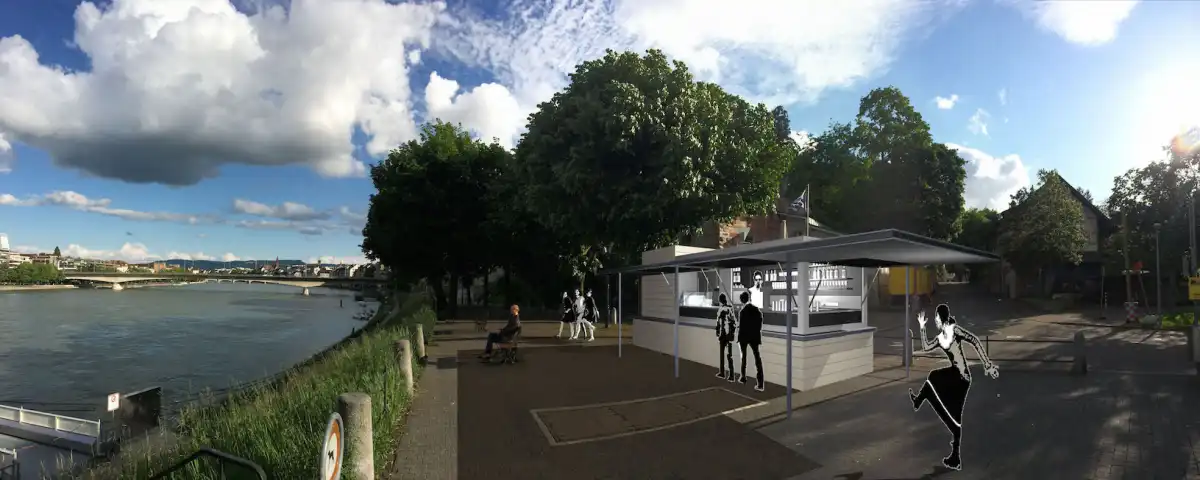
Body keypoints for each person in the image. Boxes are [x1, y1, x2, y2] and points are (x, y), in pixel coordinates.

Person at [909, 303, 999, 471]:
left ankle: (920, 401)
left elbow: (975, 340)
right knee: (936, 384)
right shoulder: (940, 338)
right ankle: (955, 457)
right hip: (954, 374)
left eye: (936, 318)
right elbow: (926, 347)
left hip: (962, 377)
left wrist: (987, 365)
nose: (935, 321)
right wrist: (922, 328)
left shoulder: (954, 330)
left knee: (952, 409)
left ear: (942, 318)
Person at [737, 290, 765, 391]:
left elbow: (742, 327)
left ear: (742, 300)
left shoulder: (742, 312)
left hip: (744, 337)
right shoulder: (756, 310)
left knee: (743, 357)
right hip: (754, 336)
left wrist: (739, 338)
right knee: (757, 358)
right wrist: (756, 332)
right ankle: (760, 382)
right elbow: (760, 322)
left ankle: (743, 377)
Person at [714, 293, 737, 381]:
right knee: (729, 355)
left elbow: (718, 323)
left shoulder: (720, 310)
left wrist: (717, 332)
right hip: (729, 335)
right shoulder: (730, 308)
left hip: (722, 335)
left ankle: (722, 373)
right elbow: (734, 322)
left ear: (720, 301)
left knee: (722, 355)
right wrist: (732, 333)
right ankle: (731, 375)